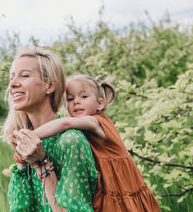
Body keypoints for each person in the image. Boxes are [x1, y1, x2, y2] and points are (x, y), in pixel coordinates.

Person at [25, 74, 161, 212]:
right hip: (108, 192)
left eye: (83, 97)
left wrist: (30, 137)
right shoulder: (80, 132)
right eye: (70, 99)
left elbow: (64, 122)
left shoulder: (97, 121)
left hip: (123, 190)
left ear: (100, 103)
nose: (76, 102)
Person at [2, 47, 98, 211]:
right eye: (12, 78)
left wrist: (41, 163)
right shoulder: (28, 140)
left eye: (24, 76)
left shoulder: (70, 140)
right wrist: (22, 161)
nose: (13, 84)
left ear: (49, 85)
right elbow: (22, 208)